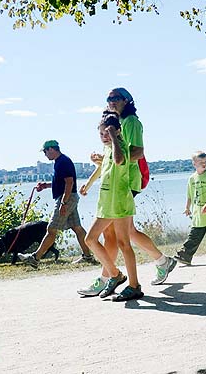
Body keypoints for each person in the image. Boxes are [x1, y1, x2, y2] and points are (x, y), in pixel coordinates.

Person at [82, 113, 143, 301]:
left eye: (108, 132)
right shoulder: (107, 149)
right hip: (106, 204)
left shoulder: (121, 146)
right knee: (90, 239)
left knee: (124, 244)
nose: (104, 136)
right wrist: (89, 180)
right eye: (101, 133)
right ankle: (115, 274)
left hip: (120, 203)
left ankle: (134, 286)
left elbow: (119, 160)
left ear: (118, 131)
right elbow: (106, 167)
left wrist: (115, 139)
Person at [17, 140, 95, 267]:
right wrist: (46, 186)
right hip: (69, 197)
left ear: (51, 149)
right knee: (77, 228)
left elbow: (69, 183)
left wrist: (63, 203)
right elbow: (61, 183)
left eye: (45, 151)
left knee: (51, 228)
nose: (45, 154)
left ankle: (35, 258)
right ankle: (87, 256)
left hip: (66, 198)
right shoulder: (59, 162)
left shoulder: (62, 162)